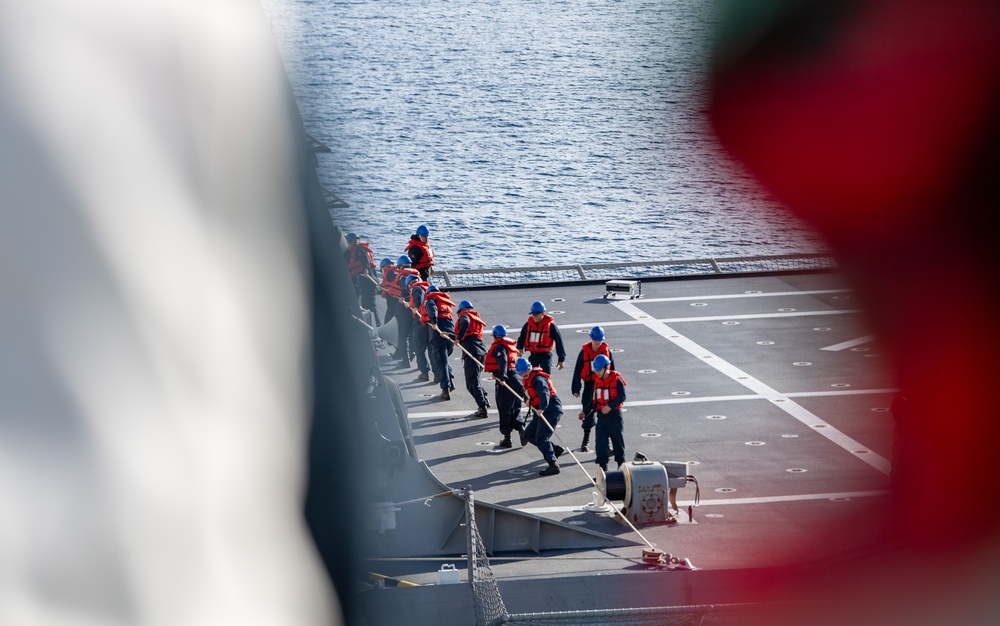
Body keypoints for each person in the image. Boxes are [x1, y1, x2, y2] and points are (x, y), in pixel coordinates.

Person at [516, 357, 565, 476]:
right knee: (528, 434)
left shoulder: (537, 379)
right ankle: (554, 450)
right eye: (521, 373)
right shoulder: (527, 379)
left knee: (542, 438)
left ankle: (553, 464)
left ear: (529, 368)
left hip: (550, 409)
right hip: (541, 409)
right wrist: (528, 400)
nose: (523, 374)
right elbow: (526, 393)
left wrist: (542, 408)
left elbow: (544, 393)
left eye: (525, 371)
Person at [571, 326, 614, 453]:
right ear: (590, 339)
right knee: (587, 411)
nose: (597, 343)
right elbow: (578, 370)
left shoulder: (607, 353)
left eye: (599, 340)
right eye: (595, 340)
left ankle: (607, 444)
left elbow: (613, 371)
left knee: (605, 413)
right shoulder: (583, 353)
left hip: (603, 385)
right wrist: (576, 388)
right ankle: (585, 440)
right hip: (590, 385)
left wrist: (613, 389)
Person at [455, 300, 490, 418]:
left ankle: (482, 407)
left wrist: (458, 338)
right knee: (475, 379)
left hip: (471, 351)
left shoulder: (464, 316)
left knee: (472, 383)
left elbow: (464, 324)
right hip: (480, 351)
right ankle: (483, 400)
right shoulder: (475, 317)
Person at [421, 285, 456, 400]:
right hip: (450, 335)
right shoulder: (445, 301)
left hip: (439, 334)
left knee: (441, 363)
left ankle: (445, 390)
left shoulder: (431, 299)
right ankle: (450, 382)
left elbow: (432, 310)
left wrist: (434, 322)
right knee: (445, 361)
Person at [516, 301, 566, 374]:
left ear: (542, 313)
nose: (534, 316)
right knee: (532, 376)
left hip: (545, 356)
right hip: (533, 356)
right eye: (533, 314)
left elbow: (559, 342)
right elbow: (521, 338)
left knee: (545, 376)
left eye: (536, 314)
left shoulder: (551, 326)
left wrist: (561, 359)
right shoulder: (528, 325)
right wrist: (519, 348)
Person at [344, 232, 380, 325]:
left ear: (350, 242)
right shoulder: (357, 249)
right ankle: (371, 325)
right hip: (367, 281)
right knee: (366, 304)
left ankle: (376, 326)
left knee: (370, 305)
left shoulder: (358, 249)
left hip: (369, 280)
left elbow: (364, 258)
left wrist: (365, 269)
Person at [390, 255, 420, 366]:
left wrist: (402, 297)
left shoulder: (403, 277)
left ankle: (405, 361)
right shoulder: (416, 276)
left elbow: (405, 289)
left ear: (401, 266)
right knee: (412, 334)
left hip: (405, 309)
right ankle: (411, 352)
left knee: (403, 335)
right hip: (415, 308)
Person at [406, 274, 432, 382]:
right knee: (430, 349)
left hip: (420, 322)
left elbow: (419, 301)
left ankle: (424, 373)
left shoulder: (416, 289)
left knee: (419, 348)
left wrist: (415, 307)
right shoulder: (424, 288)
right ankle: (437, 374)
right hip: (427, 321)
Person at [378, 257, 397, 325]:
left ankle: (387, 326)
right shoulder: (393, 272)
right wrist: (381, 287)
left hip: (393, 297)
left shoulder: (390, 273)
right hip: (392, 295)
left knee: (390, 312)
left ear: (384, 267)